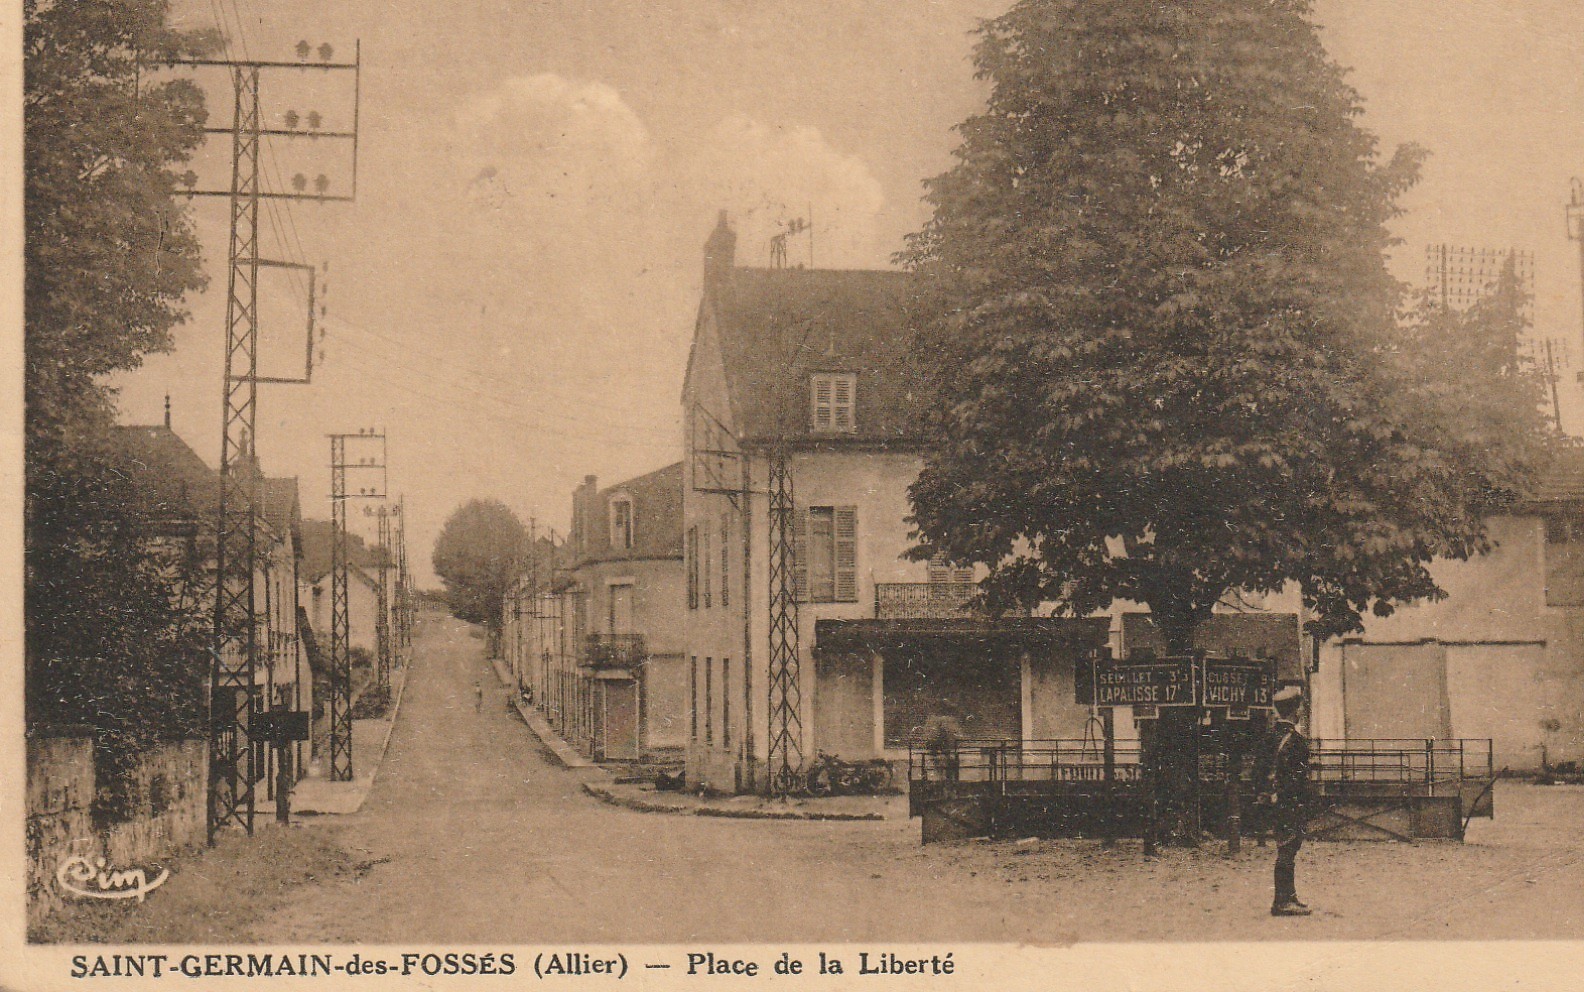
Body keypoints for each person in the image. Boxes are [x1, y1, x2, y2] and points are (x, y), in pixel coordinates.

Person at [1257, 685, 1313, 916]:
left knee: (1285, 848)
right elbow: (1299, 782)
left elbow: (1258, 772)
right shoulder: (1296, 741)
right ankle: (1282, 901)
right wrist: (1305, 805)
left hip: (1273, 802)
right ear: (1295, 710)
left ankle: (1289, 897)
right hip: (1290, 804)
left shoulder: (1268, 737)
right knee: (1288, 850)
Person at [921, 704, 966, 782]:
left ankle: (945, 777)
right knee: (945, 764)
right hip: (943, 749)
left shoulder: (940, 723)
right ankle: (947, 777)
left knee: (943, 764)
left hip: (942, 749)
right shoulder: (946, 722)